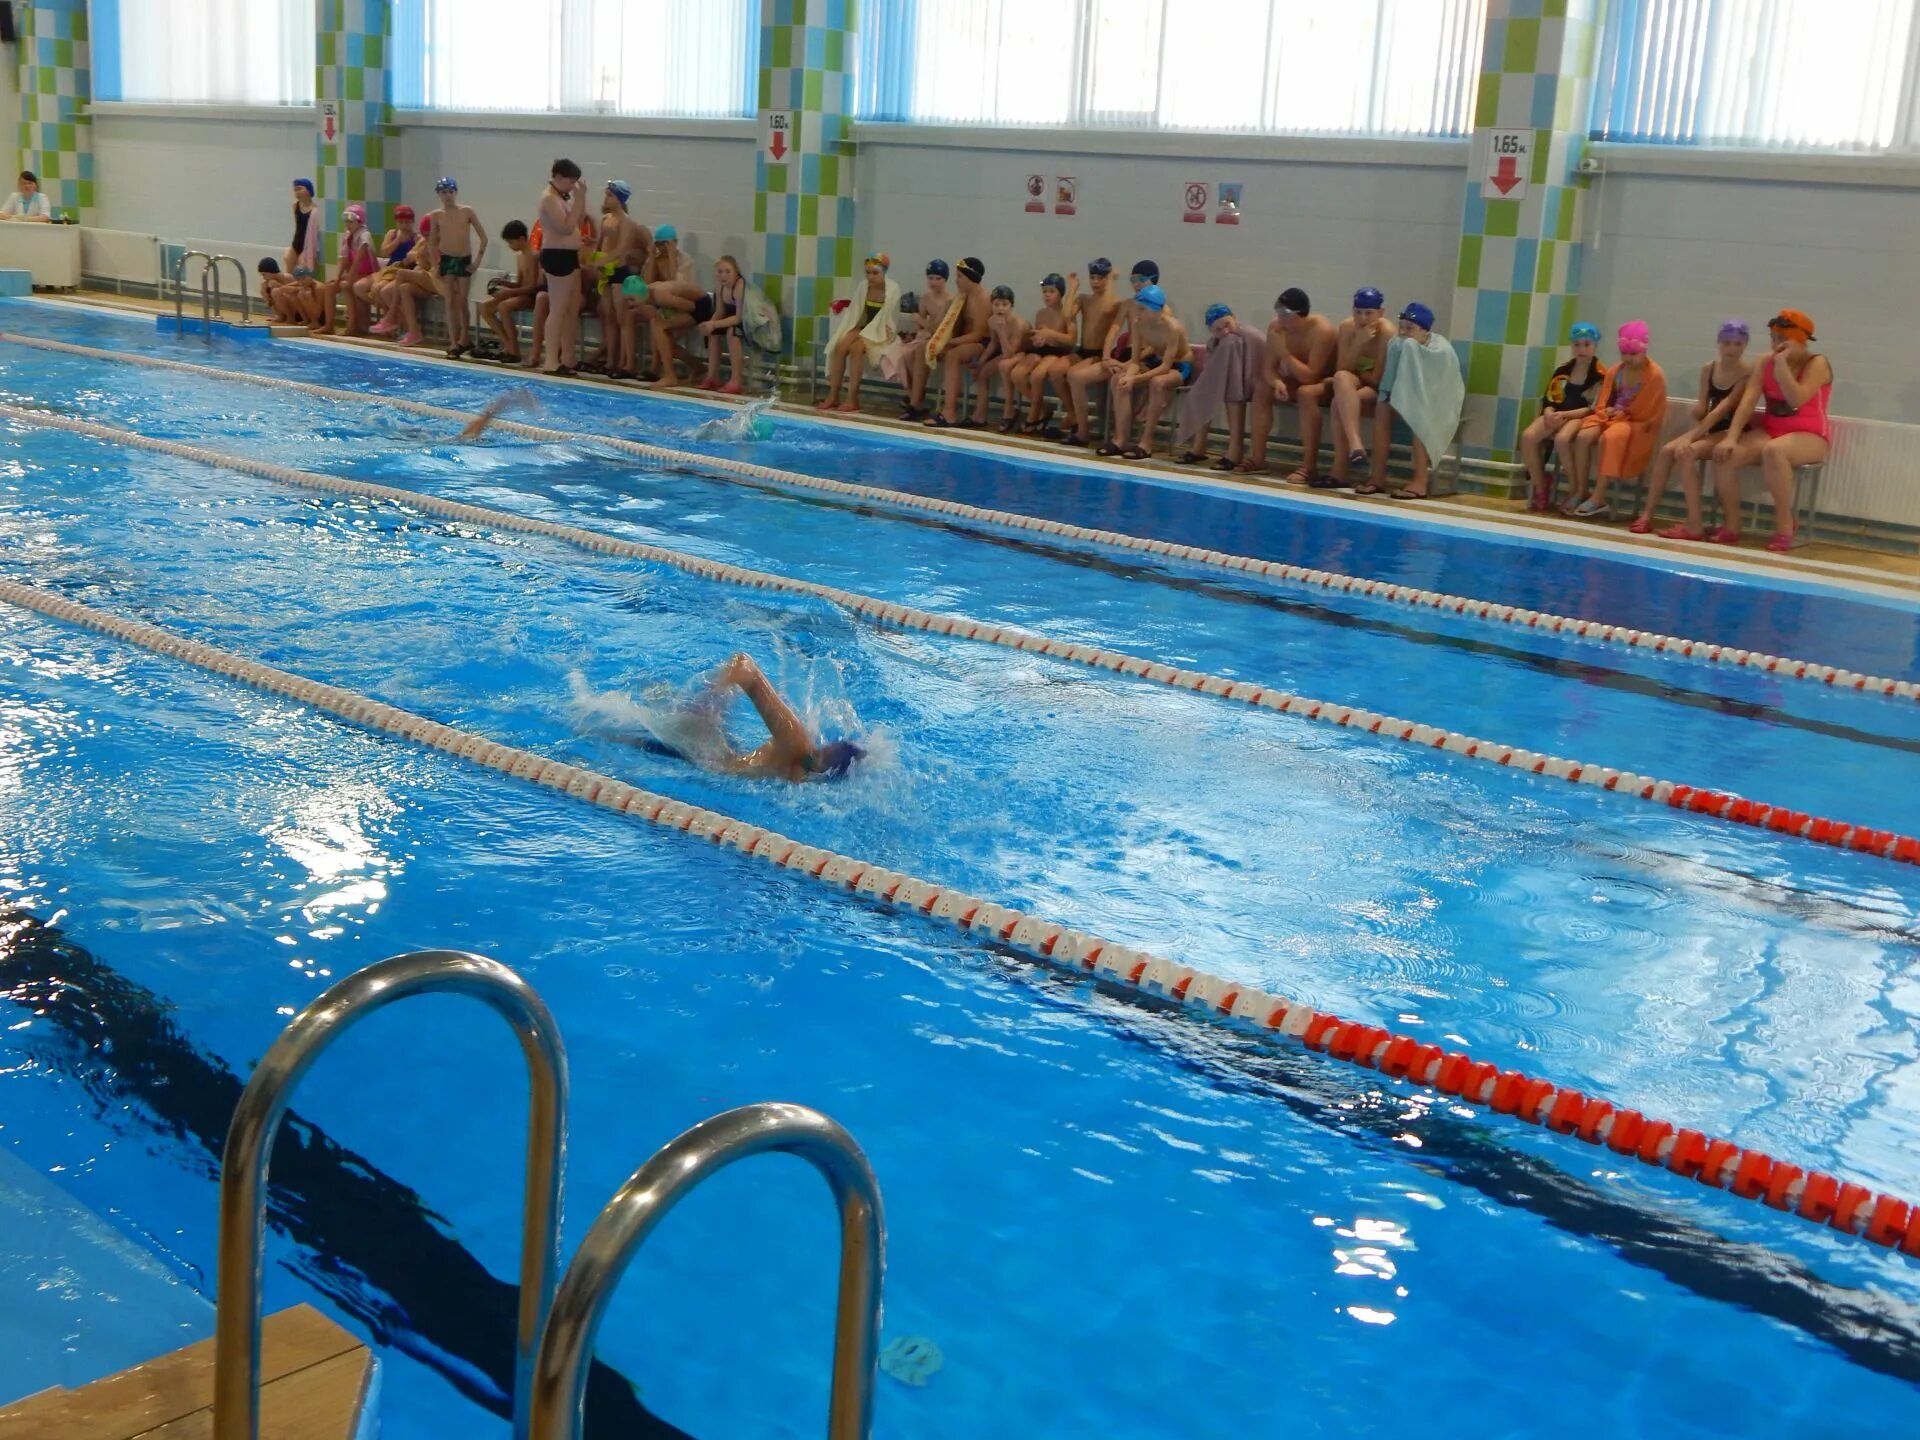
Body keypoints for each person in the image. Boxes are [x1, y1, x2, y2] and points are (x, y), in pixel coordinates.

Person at [1671, 309, 1832, 551]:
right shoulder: (1763, 362)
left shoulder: (1817, 363)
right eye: (1774, 338)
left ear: (1801, 341)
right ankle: (1733, 525)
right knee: (1726, 455)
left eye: (1783, 340)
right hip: (1772, 431)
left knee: (1774, 451)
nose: (1777, 345)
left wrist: (1781, 366)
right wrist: (1732, 438)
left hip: (1812, 436)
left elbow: (1796, 398)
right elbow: (1747, 403)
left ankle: (1784, 524)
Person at [621, 654, 864, 782]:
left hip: (713, 753)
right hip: (698, 743)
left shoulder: (800, 775)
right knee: (611, 722)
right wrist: (717, 691)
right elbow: (744, 665)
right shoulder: (797, 744)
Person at [1628, 320, 1752, 534]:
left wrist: (1693, 435)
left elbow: (1722, 409)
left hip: (1732, 431)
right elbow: (1704, 407)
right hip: (1709, 428)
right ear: (1719, 344)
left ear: (1745, 345)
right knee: (1667, 451)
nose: (1732, 349)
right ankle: (1647, 515)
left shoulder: (1747, 374)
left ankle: (1694, 523)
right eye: (1727, 343)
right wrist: (1695, 416)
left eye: (1738, 344)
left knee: (1687, 451)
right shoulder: (1708, 369)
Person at [1361, 301, 1464, 500]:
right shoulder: (1398, 344)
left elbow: (1444, 386)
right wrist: (1388, 397)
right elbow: (1390, 382)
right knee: (1382, 409)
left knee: (1420, 416)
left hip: (1438, 401)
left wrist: (1414, 402)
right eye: (1402, 327)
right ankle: (1377, 477)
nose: (1403, 332)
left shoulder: (1440, 349)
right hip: (1410, 396)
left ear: (1424, 331)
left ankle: (1420, 481)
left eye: (1410, 328)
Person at [1564, 320, 1666, 518]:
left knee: (1609, 438)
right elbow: (1603, 400)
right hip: (1612, 417)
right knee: (1583, 436)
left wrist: (1622, 414)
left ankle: (1599, 495)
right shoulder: (1616, 371)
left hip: (1636, 423)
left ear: (1644, 351)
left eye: (1633, 354)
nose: (1628, 358)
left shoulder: (1654, 375)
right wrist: (1606, 411)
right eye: (1624, 353)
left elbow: (1650, 411)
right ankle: (1580, 490)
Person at [1294, 288, 1392, 487]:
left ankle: (1340, 471)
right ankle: (1355, 443)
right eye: (1358, 312)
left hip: (1377, 389)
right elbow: (1342, 369)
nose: (1362, 318)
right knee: (1341, 379)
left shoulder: (1387, 333)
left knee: (1339, 401)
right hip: (1350, 384)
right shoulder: (1348, 327)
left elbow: (1377, 380)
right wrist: (1358, 343)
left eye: (1368, 313)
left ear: (1381, 313)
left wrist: (1359, 371)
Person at [1246, 288, 1336, 475]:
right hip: (1299, 381)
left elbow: (1310, 377)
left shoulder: (1322, 331)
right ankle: (1257, 458)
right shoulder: (1277, 327)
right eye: (1277, 312)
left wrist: (1284, 353)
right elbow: (1268, 369)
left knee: (1306, 393)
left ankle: (1309, 466)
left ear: (1300, 314)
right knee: (1262, 387)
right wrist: (1277, 382)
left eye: (1284, 314)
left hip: (1326, 384)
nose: (1279, 319)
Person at [1521, 322, 1607, 512]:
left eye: (1586, 344)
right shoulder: (1563, 370)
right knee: (1528, 437)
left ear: (1595, 346)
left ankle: (1576, 489)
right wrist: (1550, 413)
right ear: (1572, 346)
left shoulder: (1600, 375)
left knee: (1562, 440)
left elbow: (1592, 408)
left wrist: (1564, 414)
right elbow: (1549, 398)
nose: (1581, 349)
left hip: (1579, 416)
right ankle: (1541, 485)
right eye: (1577, 345)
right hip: (1558, 414)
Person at [1101, 283, 1191, 460]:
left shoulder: (1173, 328)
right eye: (1137, 309)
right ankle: (1120, 440)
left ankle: (1146, 443)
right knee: (1118, 380)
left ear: (1155, 310)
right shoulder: (1138, 324)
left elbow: (1166, 367)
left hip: (1180, 367)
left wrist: (1136, 379)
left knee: (1157, 383)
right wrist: (1128, 376)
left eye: (1142, 309)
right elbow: (1135, 361)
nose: (1137, 313)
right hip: (1157, 363)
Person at [1176, 304, 1266, 469]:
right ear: (1211, 330)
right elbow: (1212, 371)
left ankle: (1235, 449)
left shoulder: (1250, 336)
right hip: (1234, 381)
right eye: (1218, 329)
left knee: (1230, 394)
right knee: (1202, 393)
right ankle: (1199, 446)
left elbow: (1268, 361)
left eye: (1227, 325)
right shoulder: (1214, 342)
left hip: (1259, 380)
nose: (1225, 331)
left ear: (1235, 318)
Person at [820, 253, 900, 412]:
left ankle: (853, 398)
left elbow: (889, 321)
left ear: (884, 272)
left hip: (883, 333)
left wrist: (862, 333)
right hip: (865, 328)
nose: (870, 277)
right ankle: (833, 395)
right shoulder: (863, 287)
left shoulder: (893, 289)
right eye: (868, 273)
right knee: (840, 345)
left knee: (856, 349)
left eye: (875, 273)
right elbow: (855, 314)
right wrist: (855, 330)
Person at [1062, 258, 1124, 447]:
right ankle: (1073, 415)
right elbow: (1066, 315)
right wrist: (1073, 287)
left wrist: (1112, 279)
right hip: (1083, 351)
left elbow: (1106, 309)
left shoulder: (1115, 302)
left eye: (1101, 278)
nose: (1096, 282)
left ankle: (1082, 431)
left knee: (1075, 376)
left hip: (1101, 354)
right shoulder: (1084, 299)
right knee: (1056, 370)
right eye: (1093, 277)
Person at [590, 181, 649, 378]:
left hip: (620, 272)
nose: (605, 199)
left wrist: (603, 261)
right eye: (606, 194)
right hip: (606, 272)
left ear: (620, 199)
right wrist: (595, 260)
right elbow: (599, 245)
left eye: (609, 196)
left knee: (623, 319)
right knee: (608, 318)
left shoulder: (627, 222)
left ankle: (628, 363)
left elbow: (622, 248)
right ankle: (611, 361)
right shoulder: (606, 219)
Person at [535, 158, 588, 376]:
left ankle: (567, 358)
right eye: (570, 182)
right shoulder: (548, 198)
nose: (572, 186)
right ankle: (550, 361)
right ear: (558, 177)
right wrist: (579, 198)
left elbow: (580, 220)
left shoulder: (560, 197)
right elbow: (566, 228)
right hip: (556, 256)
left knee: (568, 309)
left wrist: (580, 199)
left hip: (568, 255)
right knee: (557, 309)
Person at [925, 257, 991, 428]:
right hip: (966, 341)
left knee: (952, 356)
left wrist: (951, 342)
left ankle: (950, 412)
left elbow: (978, 335)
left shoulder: (983, 299)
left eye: (960, 277)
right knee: (924, 350)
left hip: (983, 345)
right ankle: (915, 402)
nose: (956, 280)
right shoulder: (963, 297)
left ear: (971, 277)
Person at [426, 177, 486, 359]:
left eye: (450, 192)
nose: (447, 196)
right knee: (450, 302)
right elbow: (431, 244)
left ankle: (464, 338)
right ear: (438, 194)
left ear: (456, 192)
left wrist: (477, 262)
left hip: (463, 259)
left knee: (462, 301)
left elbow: (484, 238)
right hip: (447, 259)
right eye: (444, 192)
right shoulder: (436, 215)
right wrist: (435, 264)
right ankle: (454, 342)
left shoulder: (467, 211)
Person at [633, 223, 702, 382]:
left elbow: (675, 285)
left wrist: (671, 258)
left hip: (685, 307)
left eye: (666, 244)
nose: (663, 248)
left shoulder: (686, 260)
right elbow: (645, 286)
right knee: (636, 315)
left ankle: (658, 368)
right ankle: (695, 366)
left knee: (657, 326)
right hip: (665, 305)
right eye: (659, 244)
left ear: (675, 243)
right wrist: (651, 258)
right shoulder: (655, 259)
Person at [1017, 273, 1076, 435]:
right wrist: (1037, 340)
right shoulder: (1040, 313)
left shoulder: (1067, 313)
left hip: (1058, 353)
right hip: (1042, 351)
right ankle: (1043, 407)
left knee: (1036, 376)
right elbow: (1039, 336)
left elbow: (1071, 340)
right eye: (1045, 291)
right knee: (1017, 374)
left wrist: (1051, 334)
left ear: (1061, 293)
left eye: (1051, 291)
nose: (1047, 295)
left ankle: (1033, 414)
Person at [969, 284, 1031, 430]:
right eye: (997, 304)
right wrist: (980, 362)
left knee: (1004, 366)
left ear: (1011, 306)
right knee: (982, 374)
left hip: (1024, 354)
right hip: (1007, 352)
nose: (1000, 308)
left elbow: (1010, 353)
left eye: (1005, 304)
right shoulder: (992, 321)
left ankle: (1009, 410)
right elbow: (993, 343)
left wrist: (1002, 331)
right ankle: (979, 415)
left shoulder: (1019, 324)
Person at [898, 260, 953, 421]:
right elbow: (921, 325)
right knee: (905, 356)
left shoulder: (950, 300)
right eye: (930, 278)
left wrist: (924, 324)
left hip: (941, 338)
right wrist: (911, 334)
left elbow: (940, 328)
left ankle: (915, 401)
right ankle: (915, 398)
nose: (934, 282)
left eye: (938, 278)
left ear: (945, 280)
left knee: (918, 353)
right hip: (925, 337)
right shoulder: (925, 297)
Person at [480, 220, 540, 363]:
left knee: (503, 306)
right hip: (520, 293)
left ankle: (513, 350)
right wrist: (504, 284)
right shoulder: (520, 257)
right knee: (484, 307)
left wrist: (508, 293)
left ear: (521, 239)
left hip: (530, 296)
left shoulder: (534, 256)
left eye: (511, 242)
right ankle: (508, 344)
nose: (510, 246)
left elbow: (532, 287)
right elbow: (520, 283)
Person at [313, 202, 376, 337]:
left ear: (359, 221)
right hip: (355, 274)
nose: (347, 224)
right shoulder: (347, 236)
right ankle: (329, 325)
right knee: (329, 287)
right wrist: (337, 277)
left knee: (346, 286)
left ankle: (351, 326)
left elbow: (359, 259)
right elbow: (343, 259)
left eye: (350, 221)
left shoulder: (365, 235)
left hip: (368, 274)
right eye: (346, 221)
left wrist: (349, 278)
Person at [694, 254, 750, 392]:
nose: (723, 275)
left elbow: (738, 318)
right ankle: (712, 376)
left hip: (752, 319)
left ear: (736, 272)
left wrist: (715, 324)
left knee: (733, 331)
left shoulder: (740, 285)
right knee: (712, 331)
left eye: (727, 272)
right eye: (719, 272)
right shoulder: (720, 285)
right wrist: (709, 324)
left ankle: (736, 380)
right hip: (732, 317)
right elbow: (719, 311)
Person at [363, 204, 420, 336]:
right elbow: (384, 252)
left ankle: (399, 322)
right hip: (390, 270)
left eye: (407, 222)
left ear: (412, 222)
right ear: (396, 222)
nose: (404, 225)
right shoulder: (392, 234)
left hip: (403, 272)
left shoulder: (416, 238)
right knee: (376, 289)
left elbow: (412, 260)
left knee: (381, 290)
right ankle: (394, 320)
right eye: (401, 222)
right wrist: (398, 240)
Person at [284, 178, 321, 276]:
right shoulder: (295, 206)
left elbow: (315, 233)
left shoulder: (315, 210)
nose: (297, 192)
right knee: (288, 268)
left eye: (299, 189)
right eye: (295, 190)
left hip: (307, 245)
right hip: (296, 243)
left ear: (309, 190)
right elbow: (297, 226)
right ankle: (289, 290)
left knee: (302, 273)